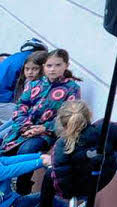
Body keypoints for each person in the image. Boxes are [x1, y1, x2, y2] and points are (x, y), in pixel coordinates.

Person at [36, 95, 117, 207]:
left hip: (76, 189)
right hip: (102, 179)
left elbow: (62, 182)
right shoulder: (105, 128)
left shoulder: (62, 145)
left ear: (62, 123)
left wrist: (53, 164)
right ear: (88, 115)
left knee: (49, 175)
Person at [1, 50, 80, 195]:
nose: (53, 69)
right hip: (22, 129)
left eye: (58, 65)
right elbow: (20, 106)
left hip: (46, 133)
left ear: (66, 66)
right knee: (4, 148)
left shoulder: (72, 88)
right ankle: (5, 190)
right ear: (44, 66)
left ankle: (22, 188)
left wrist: (43, 128)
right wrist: (26, 126)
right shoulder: (34, 84)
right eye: (49, 65)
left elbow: (68, 118)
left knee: (27, 149)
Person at [0, 53, 46, 138]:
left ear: (43, 69)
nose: (30, 72)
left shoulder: (42, 85)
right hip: (20, 117)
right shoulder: (29, 83)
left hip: (29, 122)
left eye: (35, 69)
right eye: (27, 69)